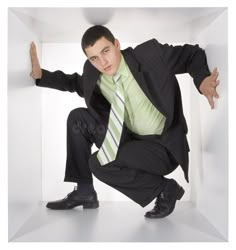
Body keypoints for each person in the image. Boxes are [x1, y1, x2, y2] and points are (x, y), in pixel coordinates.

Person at [30, 25, 220, 219]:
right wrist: (41, 75)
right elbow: (75, 83)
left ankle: (165, 189)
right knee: (78, 118)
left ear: (117, 45)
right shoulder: (94, 72)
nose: (102, 62)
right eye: (94, 58)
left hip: (162, 147)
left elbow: (191, 54)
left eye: (106, 51)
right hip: (129, 139)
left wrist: (202, 79)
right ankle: (85, 191)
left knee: (98, 164)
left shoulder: (150, 55)